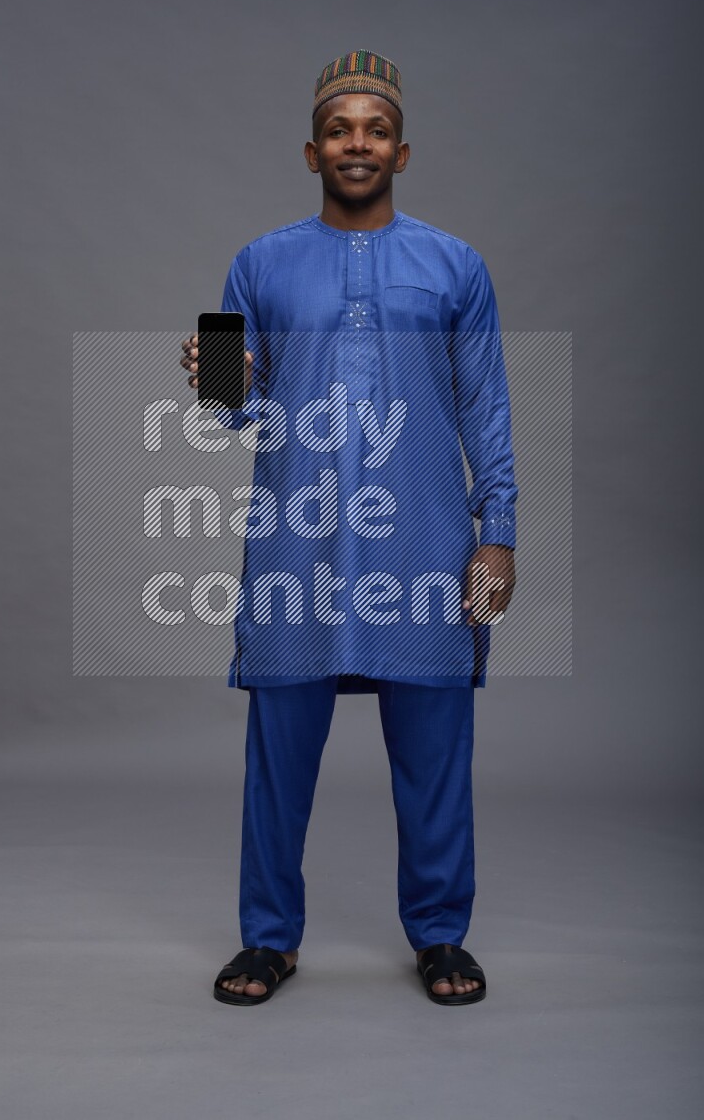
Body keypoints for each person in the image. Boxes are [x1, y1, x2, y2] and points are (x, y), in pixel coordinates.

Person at [179, 50, 517, 1006]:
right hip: (301, 544)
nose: (355, 143)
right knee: (279, 752)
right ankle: (268, 938)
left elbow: (485, 404)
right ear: (310, 149)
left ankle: (442, 935)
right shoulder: (260, 262)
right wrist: (219, 378)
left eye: (374, 129)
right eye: (339, 129)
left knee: (437, 749)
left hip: (427, 541)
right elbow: (232, 410)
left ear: (402, 151)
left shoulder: (456, 265)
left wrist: (499, 531)